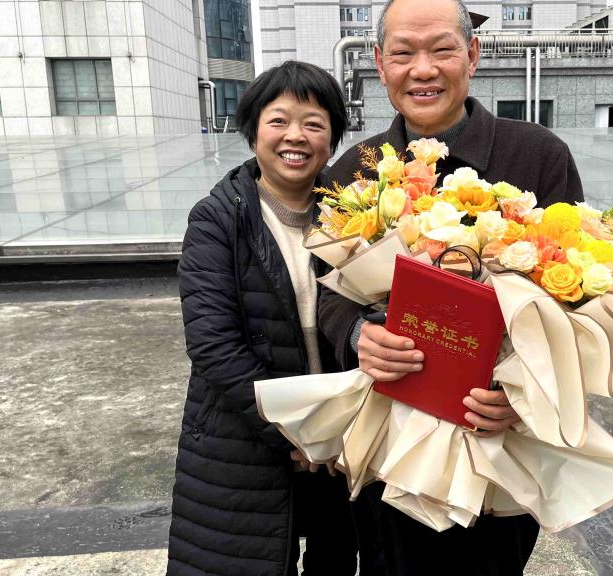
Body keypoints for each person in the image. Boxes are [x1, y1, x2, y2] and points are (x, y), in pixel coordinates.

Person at [319, 0, 585, 574]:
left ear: (473, 55)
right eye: (403, 53)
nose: (423, 69)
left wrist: (525, 393)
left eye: (442, 49)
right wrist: (358, 335)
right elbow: (328, 293)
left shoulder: (537, 156)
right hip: (389, 438)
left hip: (498, 443)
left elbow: (579, 302)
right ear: (379, 63)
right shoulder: (354, 172)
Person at [167, 61, 357, 576]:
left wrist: (330, 430)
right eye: (279, 121)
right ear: (253, 132)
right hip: (247, 439)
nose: (296, 136)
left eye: (314, 123)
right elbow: (213, 345)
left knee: (336, 559)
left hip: (339, 440)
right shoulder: (217, 218)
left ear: (331, 140)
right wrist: (296, 431)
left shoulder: (352, 216)